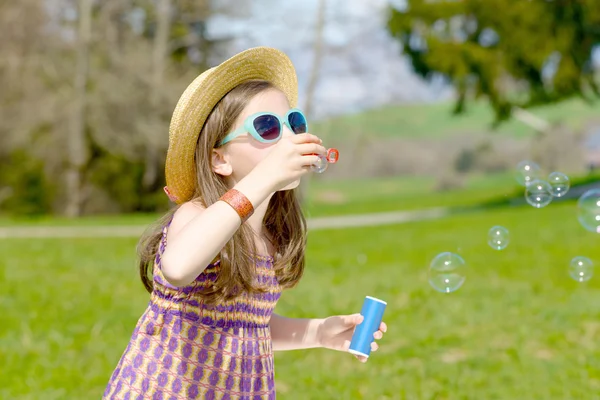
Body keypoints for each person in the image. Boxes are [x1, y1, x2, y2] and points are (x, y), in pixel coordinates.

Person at [103, 46, 387, 400]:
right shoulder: (197, 215)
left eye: (293, 123)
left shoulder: (267, 235)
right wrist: (262, 180)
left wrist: (319, 333)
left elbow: (245, 328)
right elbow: (177, 267)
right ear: (219, 159)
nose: (289, 138)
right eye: (267, 128)